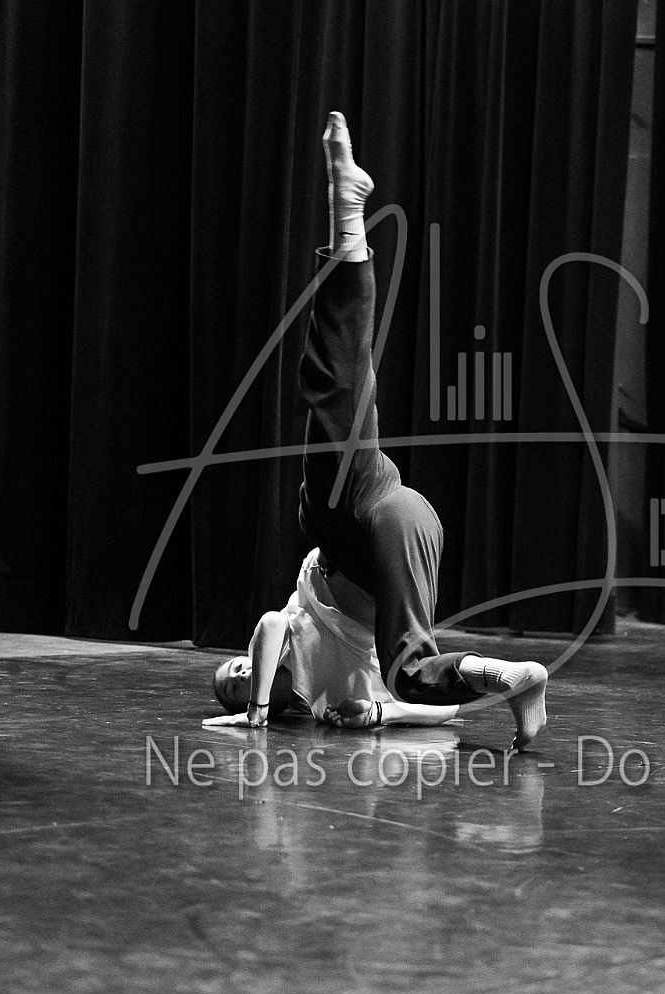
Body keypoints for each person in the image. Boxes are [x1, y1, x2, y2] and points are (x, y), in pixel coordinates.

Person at [203, 112, 548, 750]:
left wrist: (251, 711)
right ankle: (515, 677)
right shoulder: (322, 701)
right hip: (393, 534)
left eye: (232, 671)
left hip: (351, 524)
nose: (239, 673)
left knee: (337, 399)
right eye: (234, 684)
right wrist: (380, 715)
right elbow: (435, 713)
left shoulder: (283, 645)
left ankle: (348, 223)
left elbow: (268, 628)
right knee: (410, 676)